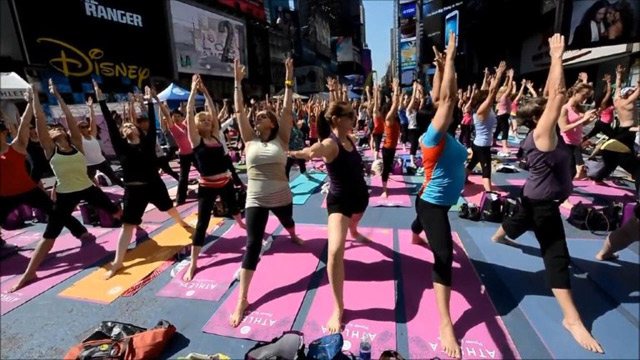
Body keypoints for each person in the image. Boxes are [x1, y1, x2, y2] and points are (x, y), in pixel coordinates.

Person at [491, 34, 604, 354]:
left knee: (519, 217)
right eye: (550, 108)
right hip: (544, 204)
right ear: (540, 116)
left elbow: (554, 96)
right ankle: (572, 319)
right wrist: (556, 57)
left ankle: (499, 236)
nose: (555, 108)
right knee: (557, 257)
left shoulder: (547, 131)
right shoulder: (542, 133)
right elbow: (555, 95)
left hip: (533, 198)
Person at [10, 81, 122, 292]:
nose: (53, 131)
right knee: (49, 236)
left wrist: (58, 96)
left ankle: (136, 233)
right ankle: (29, 272)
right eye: (50, 131)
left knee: (118, 213)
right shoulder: (50, 148)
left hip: (88, 188)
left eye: (57, 128)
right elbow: (42, 123)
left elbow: (70, 121)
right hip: (64, 195)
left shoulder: (77, 144)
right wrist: (35, 98)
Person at [229, 57, 303, 327]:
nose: (258, 117)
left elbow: (285, 110)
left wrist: (288, 77)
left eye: (263, 117)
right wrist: (237, 82)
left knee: (288, 222)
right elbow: (238, 113)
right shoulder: (249, 139)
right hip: (256, 198)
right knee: (252, 244)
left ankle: (293, 234)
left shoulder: (281, 138)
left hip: (281, 195)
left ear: (271, 123)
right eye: (256, 116)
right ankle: (243, 298)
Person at [408, 32, 468, 359]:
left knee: (421, 222)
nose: (444, 110)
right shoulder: (432, 137)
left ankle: (415, 232)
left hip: (434, 201)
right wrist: (451, 56)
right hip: (434, 204)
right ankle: (446, 322)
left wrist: (445, 68)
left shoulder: (447, 135)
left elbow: (448, 98)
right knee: (443, 256)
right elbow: (445, 101)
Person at [289, 98, 371, 333]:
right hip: (340, 202)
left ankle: (354, 230)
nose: (354, 119)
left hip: (360, 199)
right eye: (350, 116)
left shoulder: (351, 139)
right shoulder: (330, 143)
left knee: (354, 224)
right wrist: (300, 152)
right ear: (336, 120)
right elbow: (314, 151)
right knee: (335, 252)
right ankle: (338, 307)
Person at [97, 82, 193, 279]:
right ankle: (117, 262)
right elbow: (109, 124)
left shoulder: (148, 142)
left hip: (154, 185)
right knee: (127, 226)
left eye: (132, 124)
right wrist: (101, 101)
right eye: (125, 126)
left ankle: (181, 222)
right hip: (133, 191)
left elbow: (150, 120)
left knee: (169, 208)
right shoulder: (121, 146)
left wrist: (149, 101)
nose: (128, 126)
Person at [177, 74, 246, 282]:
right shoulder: (195, 139)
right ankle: (194, 263)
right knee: (202, 224)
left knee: (234, 207)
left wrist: (206, 92)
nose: (208, 122)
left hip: (224, 181)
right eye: (203, 120)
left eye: (209, 120)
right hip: (207, 186)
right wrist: (192, 91)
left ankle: (242, 225)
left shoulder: (216, 135)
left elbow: (214, 114)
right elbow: (189, 113)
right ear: (197, 126)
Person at [465, 61, 506, 192]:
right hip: (482, 145)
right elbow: (492, 92)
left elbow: (487, 91)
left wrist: (488, 79)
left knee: (472, 163)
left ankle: (463, 178)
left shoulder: (483, 109)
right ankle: (489, 192)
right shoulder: (482, 111)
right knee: (486, 168)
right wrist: (499, 75)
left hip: (479, 143)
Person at [81, 97, 124, 187]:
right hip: (89, 164)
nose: (85, 128)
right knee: (86, 182)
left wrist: (90, 108)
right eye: (82, 127)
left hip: (101, 161)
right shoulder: (79, 139)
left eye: (85, 126)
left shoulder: (92, 135)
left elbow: (93, 121)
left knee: (114, 178)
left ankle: (126, 189)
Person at [558, 82, 596, 179]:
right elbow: (564, 128)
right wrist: (583, 119)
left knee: (571, 171)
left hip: (576, 143)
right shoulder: (565, 108)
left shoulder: (578, 108)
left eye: (587, 96)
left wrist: (588, 120)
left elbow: (579, 125)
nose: (585, 98)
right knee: (570, 170)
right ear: (575, 92)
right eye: (584, 95)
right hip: (566, 143)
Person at [167, 104, 197, 205]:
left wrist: (185, 108)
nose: (176, 118)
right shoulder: (173, 128)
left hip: (193, 152)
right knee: (183, 177)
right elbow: (166, 115)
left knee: (204, 170)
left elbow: (189, 114)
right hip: (184, 155)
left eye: (178, 116)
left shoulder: (185, 124)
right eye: (174, 117)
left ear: (182, 117)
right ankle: (180, 199)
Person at [380, 79, 401, 198]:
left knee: (388, 167)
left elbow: (395, 105)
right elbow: (395, 104)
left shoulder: (391, 118)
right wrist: (396, 90)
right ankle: (384, 189)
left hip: (391, 148)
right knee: (386, 169)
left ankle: (385, 182)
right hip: (387, 148)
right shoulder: (388, 118)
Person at [493, 70, 515, 156]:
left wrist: (507, 77)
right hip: (503, 115)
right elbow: (509, 88)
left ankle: (494, 141)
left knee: (498, 129)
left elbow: (505, 87)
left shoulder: (501, 96)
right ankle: (504, 147)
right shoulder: (504, 96)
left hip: (501, 115)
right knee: (505, 130)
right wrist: (511, 77)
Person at [285, 116, 308, 180]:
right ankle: (286, 182)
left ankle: (304, 172)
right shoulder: (287, 130)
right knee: (287, 166)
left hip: (300, 148)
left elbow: (301, 135)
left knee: (302, 163)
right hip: (292, 150)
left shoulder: (296, 128)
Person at [407, 81, 424, 166]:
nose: (416, 103)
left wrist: (419, 91)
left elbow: (421, 100)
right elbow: (414, 99)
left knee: (420, 144)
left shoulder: (417, 110)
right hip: (412, 129)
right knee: (414, 145)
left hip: (418, 129)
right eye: (414, 102)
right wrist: (414, 89)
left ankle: (420, 159)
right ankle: (412, 161)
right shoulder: (409, 110)